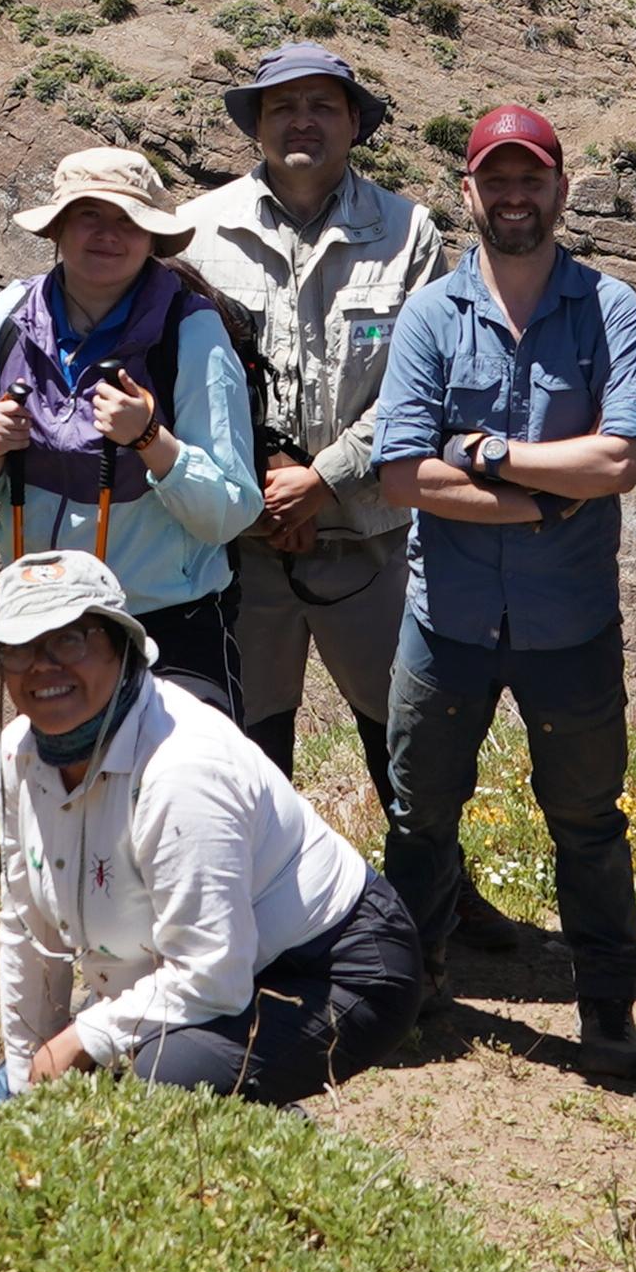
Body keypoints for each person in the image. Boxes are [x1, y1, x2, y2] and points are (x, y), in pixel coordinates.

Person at [367, 103, 636, 1066]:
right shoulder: (429, 314)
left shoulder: (606, 306)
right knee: (418, 818)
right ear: (469, 193)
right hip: (444, 620)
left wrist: (491, 454)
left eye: (529, 176)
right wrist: (541, 499)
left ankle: (608, 1008)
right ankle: (405, 991)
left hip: (568, 624)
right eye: (495, 179)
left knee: (587, 819)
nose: (513, 195)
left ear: (559, 188)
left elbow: (619, 460)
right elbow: (404, 475)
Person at [0, 552, 423, 1104]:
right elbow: (27, 930)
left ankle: (272, 1151)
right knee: (11, 1095)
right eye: (20, 647)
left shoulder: (183, 766)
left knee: (161, 1079)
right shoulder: (16, 759)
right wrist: (29, 1072)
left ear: (122, 647)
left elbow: (212, 975)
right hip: (206, 965)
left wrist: (79, 1041)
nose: (43, 666)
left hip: (334, 964)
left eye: (70, 640)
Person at [176, 44, 455, 786]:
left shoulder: (409, 234)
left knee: (403, 735)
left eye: (322, 106)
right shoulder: (194, 232)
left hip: (369, 541)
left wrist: (322, 480)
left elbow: (421, 386)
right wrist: (269, 476)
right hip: (243, 543)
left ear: (354, 124)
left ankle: (431, 900)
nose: (302, 121)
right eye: (282, 107)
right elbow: (189, 380)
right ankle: (265, 899)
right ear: (256, 125)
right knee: (245, 744)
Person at [0, 148, 257, 706]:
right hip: (43, 617)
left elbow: (230, 510)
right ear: (58, 226)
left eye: (128, 220)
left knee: (173, 789)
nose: (108, 234)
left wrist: (151, 440)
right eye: (89, 215)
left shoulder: (192, 330)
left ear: (152, 237)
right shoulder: (7, 318)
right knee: (66, 786)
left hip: (164, 622)